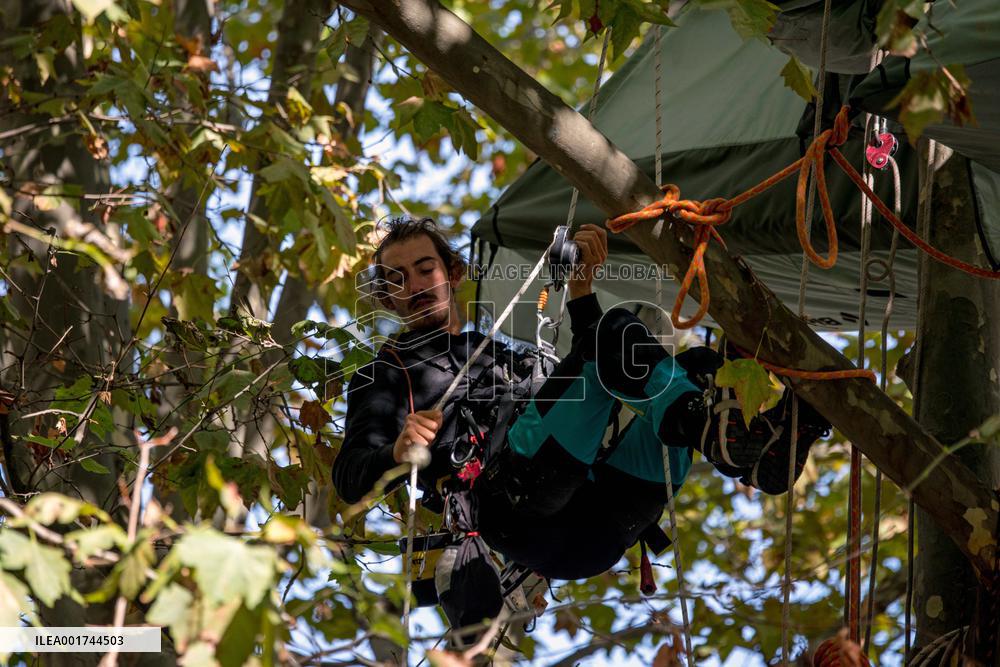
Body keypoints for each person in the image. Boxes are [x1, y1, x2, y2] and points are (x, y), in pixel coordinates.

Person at [332, 216, 830, 635]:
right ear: (385, 298)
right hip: (519, 506)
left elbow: (596, 374)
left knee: (696, 363)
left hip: (606, 515)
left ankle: (760, 445)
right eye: (398, 280)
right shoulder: (383, 374)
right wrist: (396, 449)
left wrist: (581, 290)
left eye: (425, 269)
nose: (416, 286)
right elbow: (350, 476)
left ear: (454, 273)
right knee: (616, 338)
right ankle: (717, 433)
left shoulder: (501, 354)